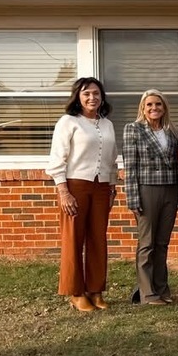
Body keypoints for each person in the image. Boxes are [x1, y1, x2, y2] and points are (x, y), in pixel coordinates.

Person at [46, 77, 119, 312]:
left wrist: (112, 187)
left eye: (96, 93)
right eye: (87, 93)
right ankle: (75, 292)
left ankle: (95, 290)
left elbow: (112, 159)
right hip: (75, 186)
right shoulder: (68, 122)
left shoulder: (106, 124)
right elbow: (58, 159)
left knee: (98, 239)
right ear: (78, 96)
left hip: (101, 187)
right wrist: (63, 191)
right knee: (73, 239)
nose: (92, 98)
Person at [123, 89, 178, 306]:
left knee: (162, 243)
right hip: (146, 190)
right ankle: (147, 293)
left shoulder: (171, 132)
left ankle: (162, 288)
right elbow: (130, 167)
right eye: (149, 105)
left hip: (169, 189)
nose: (154, 108)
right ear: (143, 107)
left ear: (164, 107)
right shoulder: (133, 129)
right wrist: (132, 198)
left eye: (158, 104)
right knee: (147, 243)